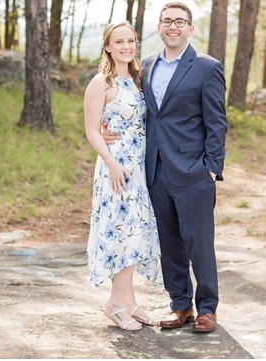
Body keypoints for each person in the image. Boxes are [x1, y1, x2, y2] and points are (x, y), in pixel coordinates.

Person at [104, 2, 227, 333]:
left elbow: (217, 122)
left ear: (190, 28)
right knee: (169, 243)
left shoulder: (206, 67)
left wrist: (211, 168)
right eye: (167, 21)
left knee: (199, 243)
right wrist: (106, 128)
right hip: (154, 171)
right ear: (159, 28)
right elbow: (130, 107)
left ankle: (207, 309)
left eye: (180, 21)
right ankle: (180, 304)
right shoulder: (144, 66)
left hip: (193, 172)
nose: (173, 26)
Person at [84, 21, 162, 331]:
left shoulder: (139, 79)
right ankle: (115, 303)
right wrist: (112, 163)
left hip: (139, 166)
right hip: (116, 168)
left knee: (136, 230)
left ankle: (129, 302)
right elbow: (92, 130)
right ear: (108, 46)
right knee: (121, 231)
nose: (126, 46)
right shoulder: (102, 82)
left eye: (130, 41)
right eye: (119, 42)